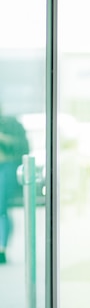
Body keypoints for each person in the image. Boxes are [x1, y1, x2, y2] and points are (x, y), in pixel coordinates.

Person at [0, 111, 29, 264]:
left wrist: (2, 138)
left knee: (1, 208)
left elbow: (20, 145)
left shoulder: (10, 123)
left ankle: (2, 248)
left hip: (6, 166)